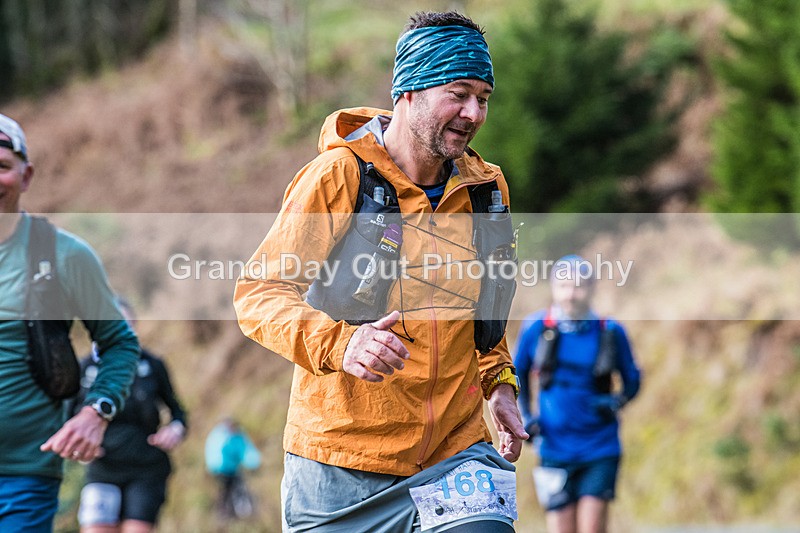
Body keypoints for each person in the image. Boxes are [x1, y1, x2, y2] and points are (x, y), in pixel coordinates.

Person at [234, 11, 527, 532]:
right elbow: (259, 293)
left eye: (483, 97)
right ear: (408, 93)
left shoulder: (486, 190)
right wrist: (341, 345)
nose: (474, 112)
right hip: (341, 462)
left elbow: (487, 312)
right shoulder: (339, 176)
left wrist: (499, 384)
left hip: (454, 452)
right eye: (458, 93)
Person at [0, 112, 140, 532]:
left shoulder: (64, 255)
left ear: (26, 176)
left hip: (24, 475)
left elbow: (120, 343)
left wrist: (96, 412)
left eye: (2, 166)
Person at [514, 255, 642, 533]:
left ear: (592, 288)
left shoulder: (610, 332)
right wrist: (525, 416)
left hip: (600, 446)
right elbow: (515, 374)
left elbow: (633, 379)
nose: (570, 294)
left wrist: (616, 401)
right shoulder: (536, 328)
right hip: (552, 448)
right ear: (553, 288)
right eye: (563, 286)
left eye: (578, 286)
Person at [74, 297, 188, 533]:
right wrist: (79, 448)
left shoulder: (152, 365)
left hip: (146, 467)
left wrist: (174, 430)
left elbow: (178, 412)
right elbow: (66, 418)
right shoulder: (84, 367)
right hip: (102, 468)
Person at [204, 417, 261, 520]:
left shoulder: (216, 434)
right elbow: (245, 451)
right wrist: (254, 465)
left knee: (225, 492)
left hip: (218, 470)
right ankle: (230, 516)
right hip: (226, 470)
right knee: (230, 490)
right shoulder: (232, 437)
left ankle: (224, 516)